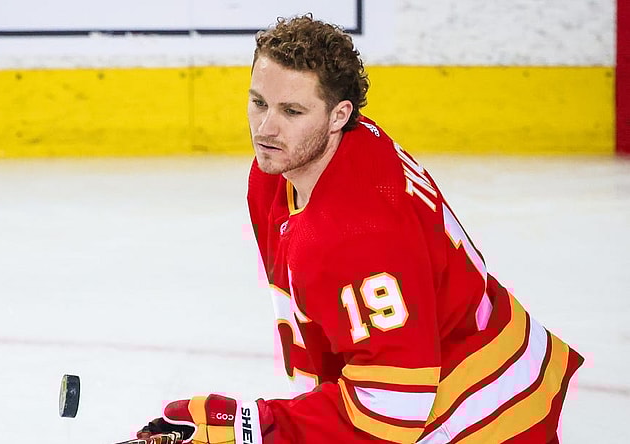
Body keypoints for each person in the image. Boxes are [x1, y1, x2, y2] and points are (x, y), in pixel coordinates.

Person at [135, 14, 583, 444]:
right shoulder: (293, 168)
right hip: (445, 374)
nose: (266, 129)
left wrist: (260, 426)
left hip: (479, 417)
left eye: (292, 111)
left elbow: (393, 407)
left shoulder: (356, 234)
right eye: (258, 102)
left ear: (337, 115)